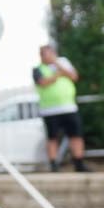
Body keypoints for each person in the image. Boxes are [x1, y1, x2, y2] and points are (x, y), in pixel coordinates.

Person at [34, 43, 89, 172]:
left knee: (76, 135)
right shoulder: (38, 69)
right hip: (49, 110)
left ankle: (79, 163)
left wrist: (58, 65)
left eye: (47, 53)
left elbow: (74, 76)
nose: (45, 56)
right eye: (42, 54)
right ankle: (54, 165)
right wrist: (59, 74)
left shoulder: (64, 62)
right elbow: (43, 83)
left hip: (69, 107)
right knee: (52, 138)